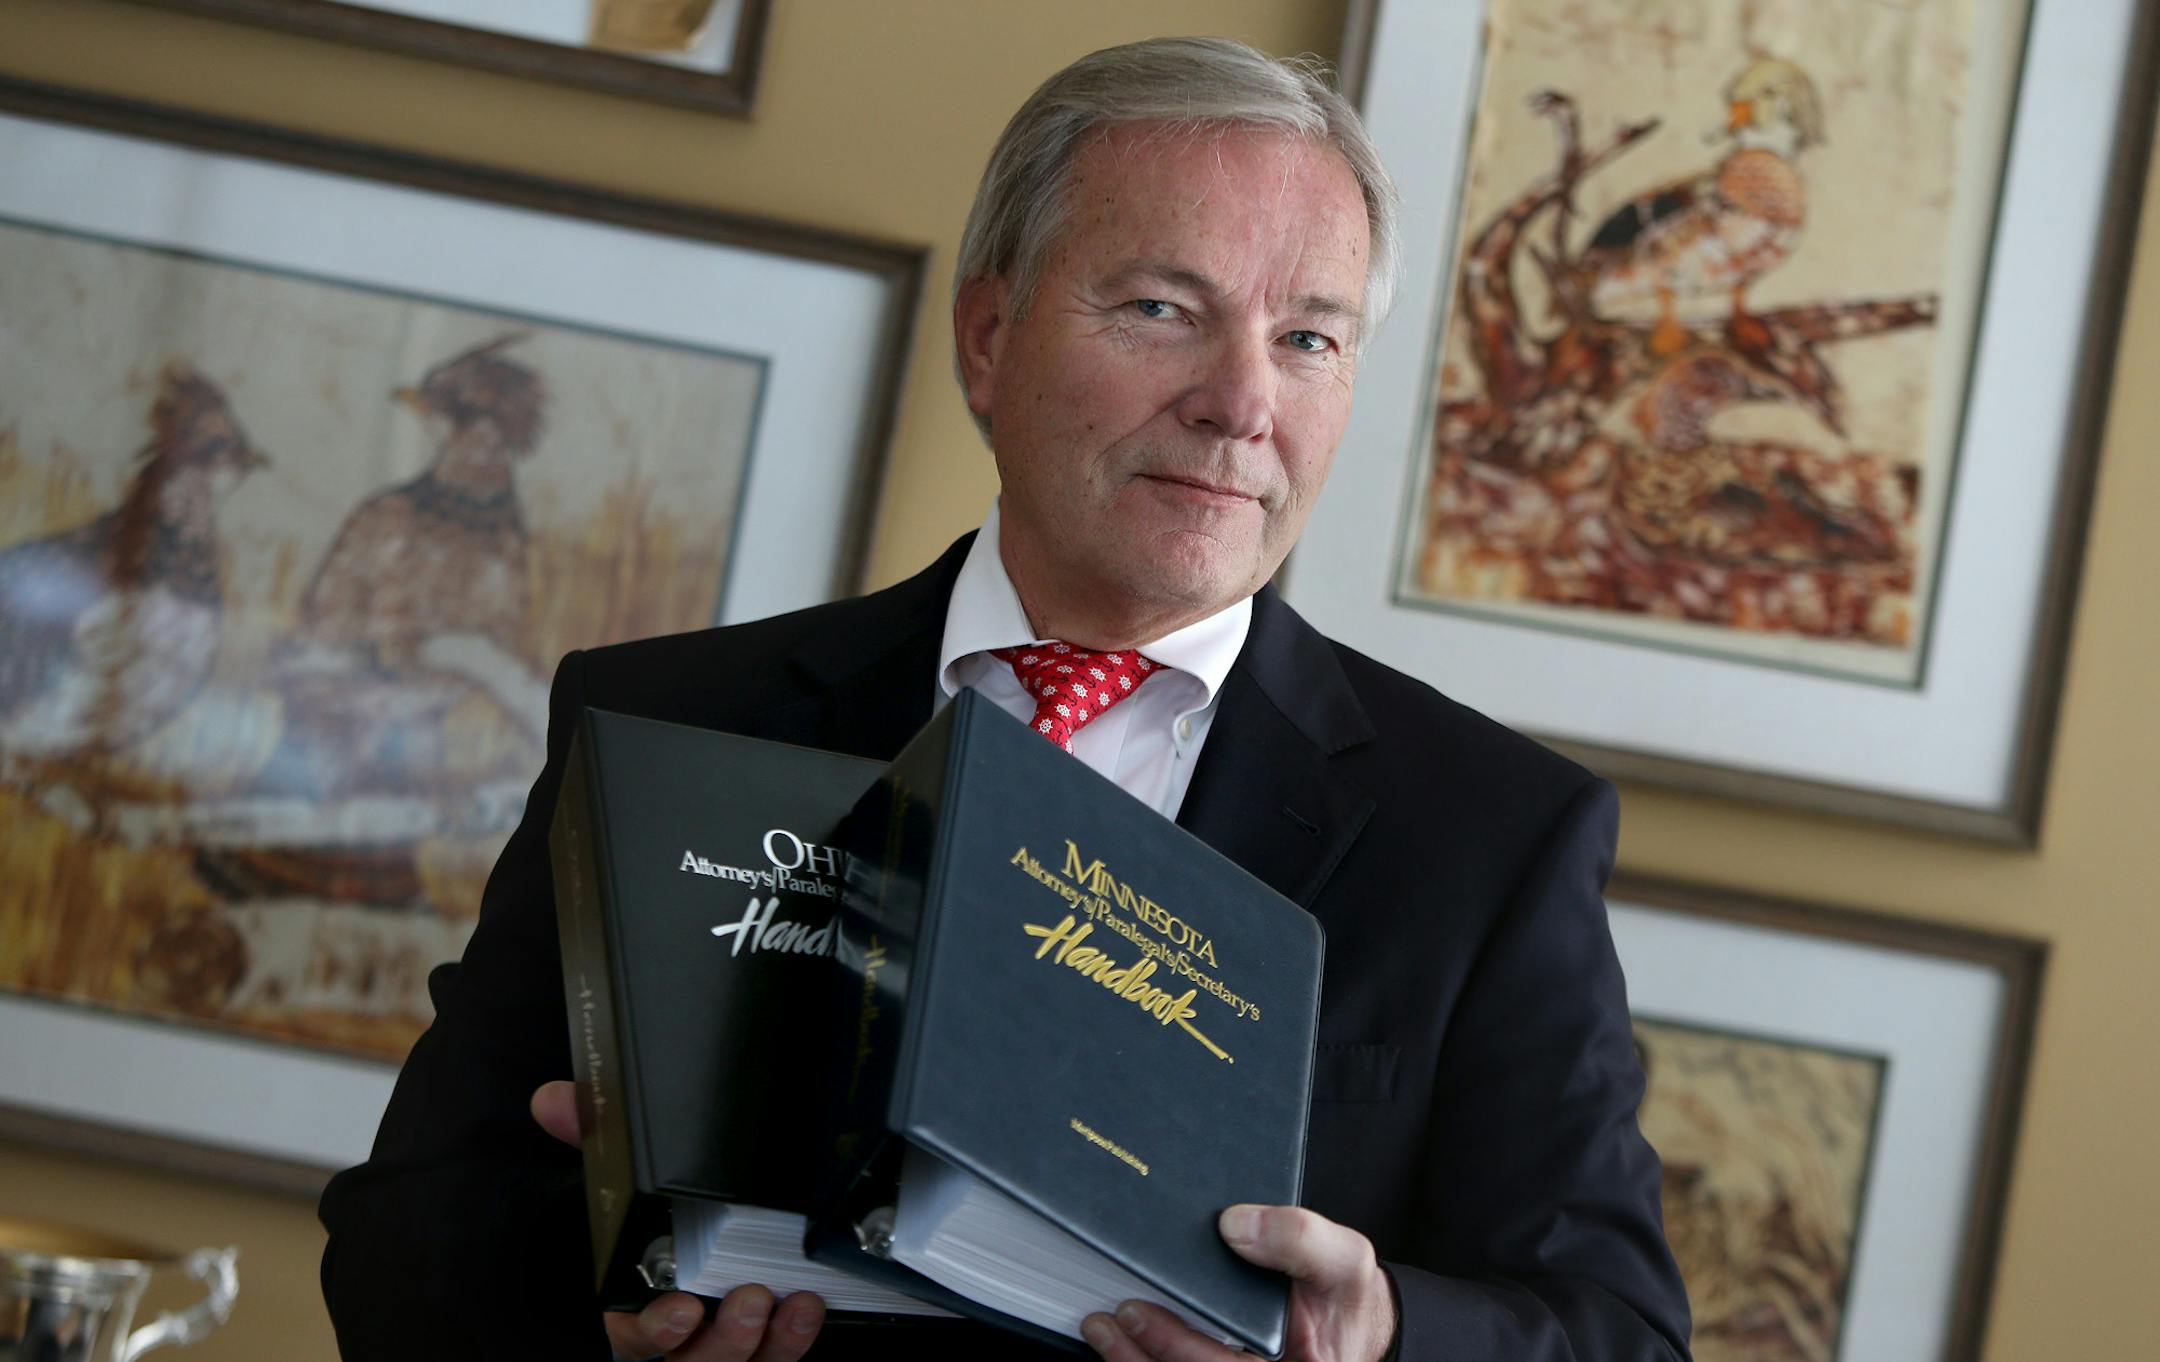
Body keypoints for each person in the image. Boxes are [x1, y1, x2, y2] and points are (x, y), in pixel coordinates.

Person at [319, 37, 1692, 1362]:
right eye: (1164, 308)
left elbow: (1617, 1334)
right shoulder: (666, 718)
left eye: (1310, 338)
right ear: (989, 338)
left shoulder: (1492, 837)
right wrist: (594, 1325)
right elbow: (399, 1243)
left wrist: (1377, 1337)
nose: (1240, 400)